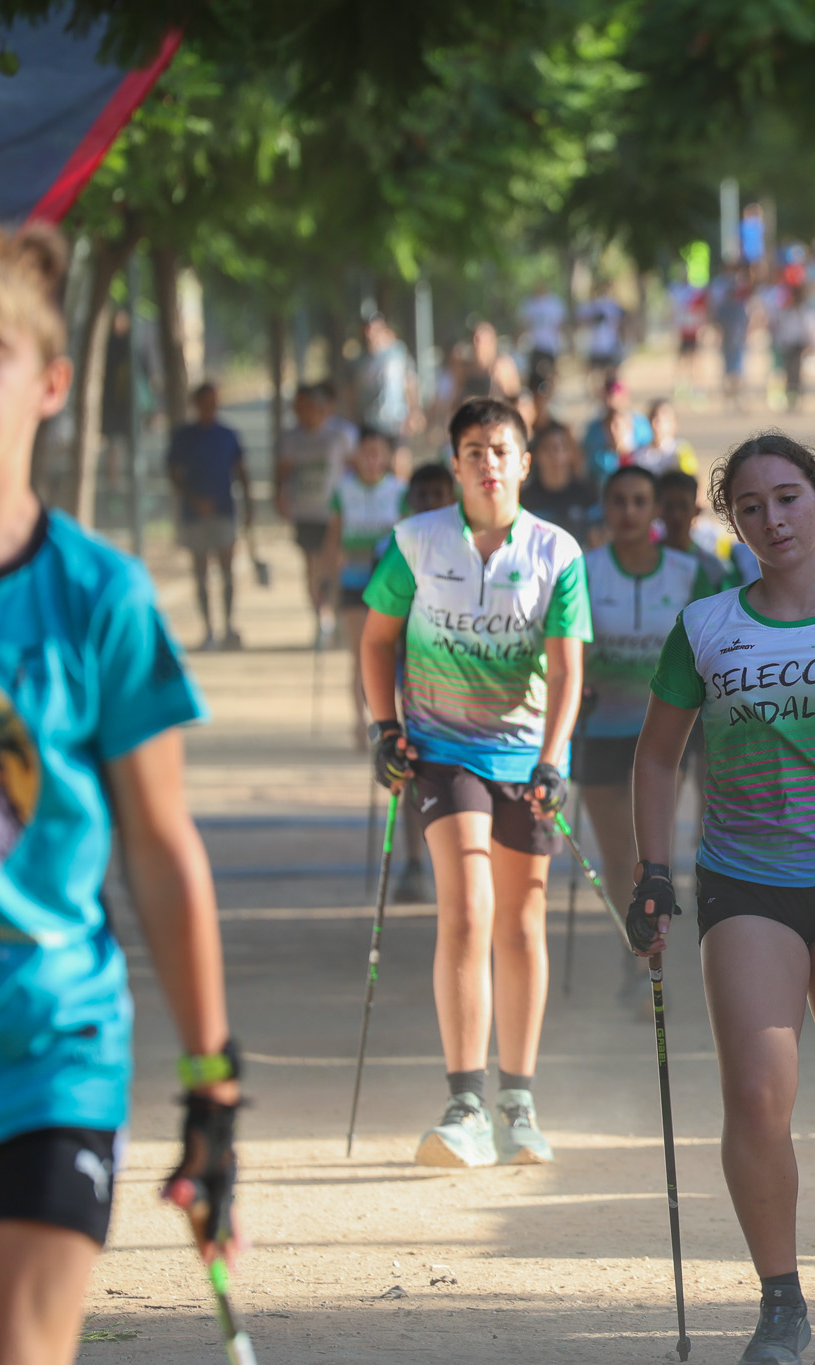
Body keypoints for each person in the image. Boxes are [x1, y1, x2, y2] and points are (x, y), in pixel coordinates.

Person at [0, 222, 244, 1365]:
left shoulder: (99, 596)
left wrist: (212, 1085)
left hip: (47, 1058)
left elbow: (161, 848)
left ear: (49, 382)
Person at [628, 432, 815, 1365]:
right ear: (733, 522)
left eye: (789, 497)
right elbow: (656, 755)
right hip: (746, 883)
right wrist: (653, 872)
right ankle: (778, 1304)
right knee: (759, 1095)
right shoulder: (706, 626)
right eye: (751, 506)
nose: (773, 519)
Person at [359, 396, 591, 1168]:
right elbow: (376, 640)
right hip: (442, 752)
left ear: (524, 462)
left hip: (526, 757)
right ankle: (464, 1103)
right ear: (455, 465)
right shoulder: (415, 542)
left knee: (520, 924)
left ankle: (517, 1100)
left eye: (500, 450)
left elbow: (567, 669)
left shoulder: (558, 552)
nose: (488, 463)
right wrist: (384, 728)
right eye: (472, 451)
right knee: (467, 911)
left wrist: (553, 756)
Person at [575, 465, 721, 998]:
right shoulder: (583, 570)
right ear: (605, 509)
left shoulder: (688, 573)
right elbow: (564, 648)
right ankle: (633, 952)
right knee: (617, 858)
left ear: (655, 510)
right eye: (619, 501)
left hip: (664, 738)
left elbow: (710, 650)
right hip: (599, 731)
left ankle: (645, 964)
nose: (629, 512)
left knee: (648, 856)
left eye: (640, 501)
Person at [384, 461, 460, 905]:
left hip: (466, 679)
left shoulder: (469, 548)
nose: (430, 503)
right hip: (411, 673)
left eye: (438, 494)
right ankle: (414, 862)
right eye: (422, 495)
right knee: (410, 766)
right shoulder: (396, 546)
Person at [323, 428, 408, 743]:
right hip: (354, 581)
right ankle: (360, 721)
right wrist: (326, 580)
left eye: (378, 453)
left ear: (387, 457)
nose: (372, 460)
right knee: (361, 653)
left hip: (390, 585)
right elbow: (333, 538)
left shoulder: (400, 491)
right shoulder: (343, 491)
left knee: (393, 653)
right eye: (366, 453)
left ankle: (392, 720)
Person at [165, 381, 251, 651]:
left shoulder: (228, 435)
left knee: (227, 570)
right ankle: (208, 629)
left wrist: (249, 505)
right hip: (194, 513)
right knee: (201, 571)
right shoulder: (184, 437)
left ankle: (228, 624)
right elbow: (174, 473)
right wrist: (193, 499)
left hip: (224, 510)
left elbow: (241, 470)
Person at [277, 382, 353, 644]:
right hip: (305, 511)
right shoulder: (292, 438)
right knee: (311, 566)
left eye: (308, 407)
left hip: (333, 514)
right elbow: (284, 472)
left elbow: (353, 467)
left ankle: (337, 616)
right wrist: (281, 496)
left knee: (333, 565)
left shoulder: (339, 436)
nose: (302, 413)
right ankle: (321, 618)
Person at [658, 468, 757, 589]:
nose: (676, 515)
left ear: (697, 510)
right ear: (657, 510)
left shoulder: (713, 569)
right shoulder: (644, 561)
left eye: (683, 506)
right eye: (669, 506)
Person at [521, 420, 601, 547]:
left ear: (571, 453)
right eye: (548, 448)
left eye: (562, 447)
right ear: (536, 455)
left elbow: (596, 542)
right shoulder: (525, 498)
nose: (555, 455)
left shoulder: (587, 493)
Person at [354, 313, 417, 451]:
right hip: (370, 421)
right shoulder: (361, 360)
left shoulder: (398, 353)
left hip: (396, 418)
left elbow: (410, 382)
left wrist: (414, 411)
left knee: (400, 456)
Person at [582, 376, 652, 481]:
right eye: (609, 394)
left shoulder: (641, 424)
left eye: (616, 394)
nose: (612, 400)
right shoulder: (594, 430)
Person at [711, 262, 754, 413]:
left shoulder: (732, 307)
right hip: (732, 342)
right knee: (734, 372)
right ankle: (733, 399)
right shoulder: (732, 307)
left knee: (734, 372)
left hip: (734, 342)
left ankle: (736, 399)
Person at [771, 282, 815, 412]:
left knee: (795, 372)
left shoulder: (801, 311)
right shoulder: (786, 311)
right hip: (788, 344)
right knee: (789, 372)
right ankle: (791, 398)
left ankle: (795, 398)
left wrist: (810, 344)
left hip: (797, 344)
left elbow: (808, 328)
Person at [633, 396, 697, 477]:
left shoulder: (681, 450)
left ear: (674, 423)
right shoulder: (638, 454)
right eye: (652, 418)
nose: (655, 424)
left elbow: (690, 477)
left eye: (662, 420)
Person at [579, 282, 627, 384]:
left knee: (611, 374)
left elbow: (622, 324)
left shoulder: (612, 306)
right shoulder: (593, 306)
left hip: (609, 345)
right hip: (596, 346)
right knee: (596, 375)